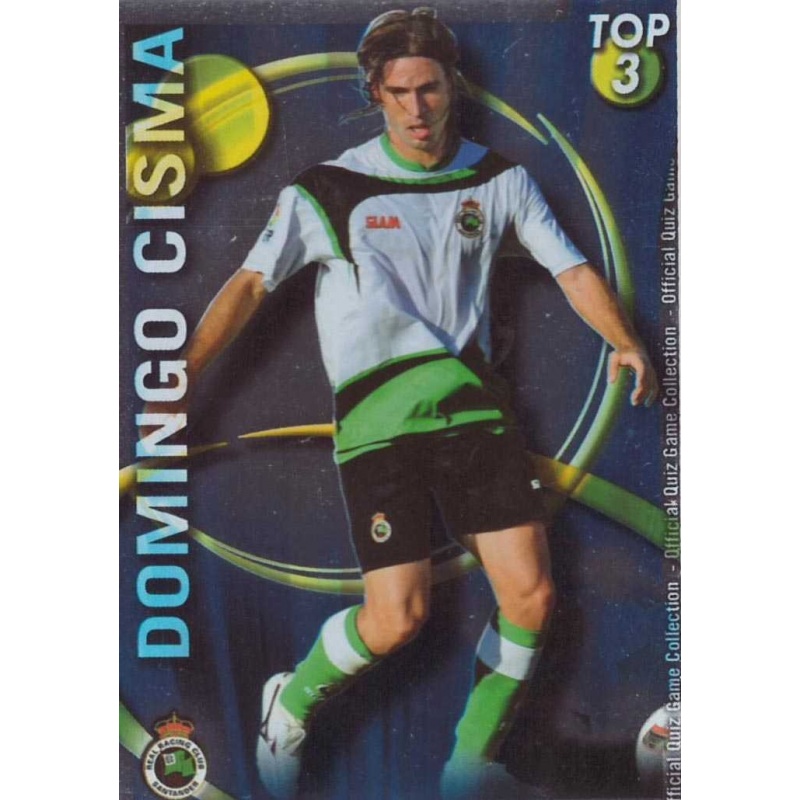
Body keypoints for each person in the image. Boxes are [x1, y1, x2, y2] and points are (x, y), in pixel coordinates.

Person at [154, 8, 658, 798]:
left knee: (532, 595)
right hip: (379, 429)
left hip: (473, 416)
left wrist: (623, 340)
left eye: (431, 89)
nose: (418, 109)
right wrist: (184, 373)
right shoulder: (327, 189)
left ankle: (468, 766)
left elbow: (569, 267)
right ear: (375, 94)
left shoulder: (499, 181)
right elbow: (250, 284)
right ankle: (291, 703)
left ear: (454, 86)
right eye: (400, 93)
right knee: (397, 619)